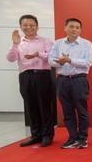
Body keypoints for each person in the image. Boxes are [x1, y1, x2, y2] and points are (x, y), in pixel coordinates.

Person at [6, 14, 55, 147]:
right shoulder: (18, 43)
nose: (29, 27)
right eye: (25, 25)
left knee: (44, 106)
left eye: (32, 25)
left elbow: (52, 57)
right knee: (31, 106)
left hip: (42, 75)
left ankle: (47, 135)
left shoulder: (45, 41)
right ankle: (36, 135)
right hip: (25, 76)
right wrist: (14, 44)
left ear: (37, 26)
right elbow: (10, 59)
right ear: (21, 27)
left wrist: (38, 54)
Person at [49, 18, 92, 149]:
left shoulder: (86, 44)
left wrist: (69, 60)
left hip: (79, 80)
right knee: (67, 111)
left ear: (80, 30)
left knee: (82, 110)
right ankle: (72, 137)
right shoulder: (58, 43)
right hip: (62, 80)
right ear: (65, 28)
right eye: (71, 26)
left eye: (77, 27)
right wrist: (60, 62)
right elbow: (51, 61)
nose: (74, 29)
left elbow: (88, 62)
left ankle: (83, 139)